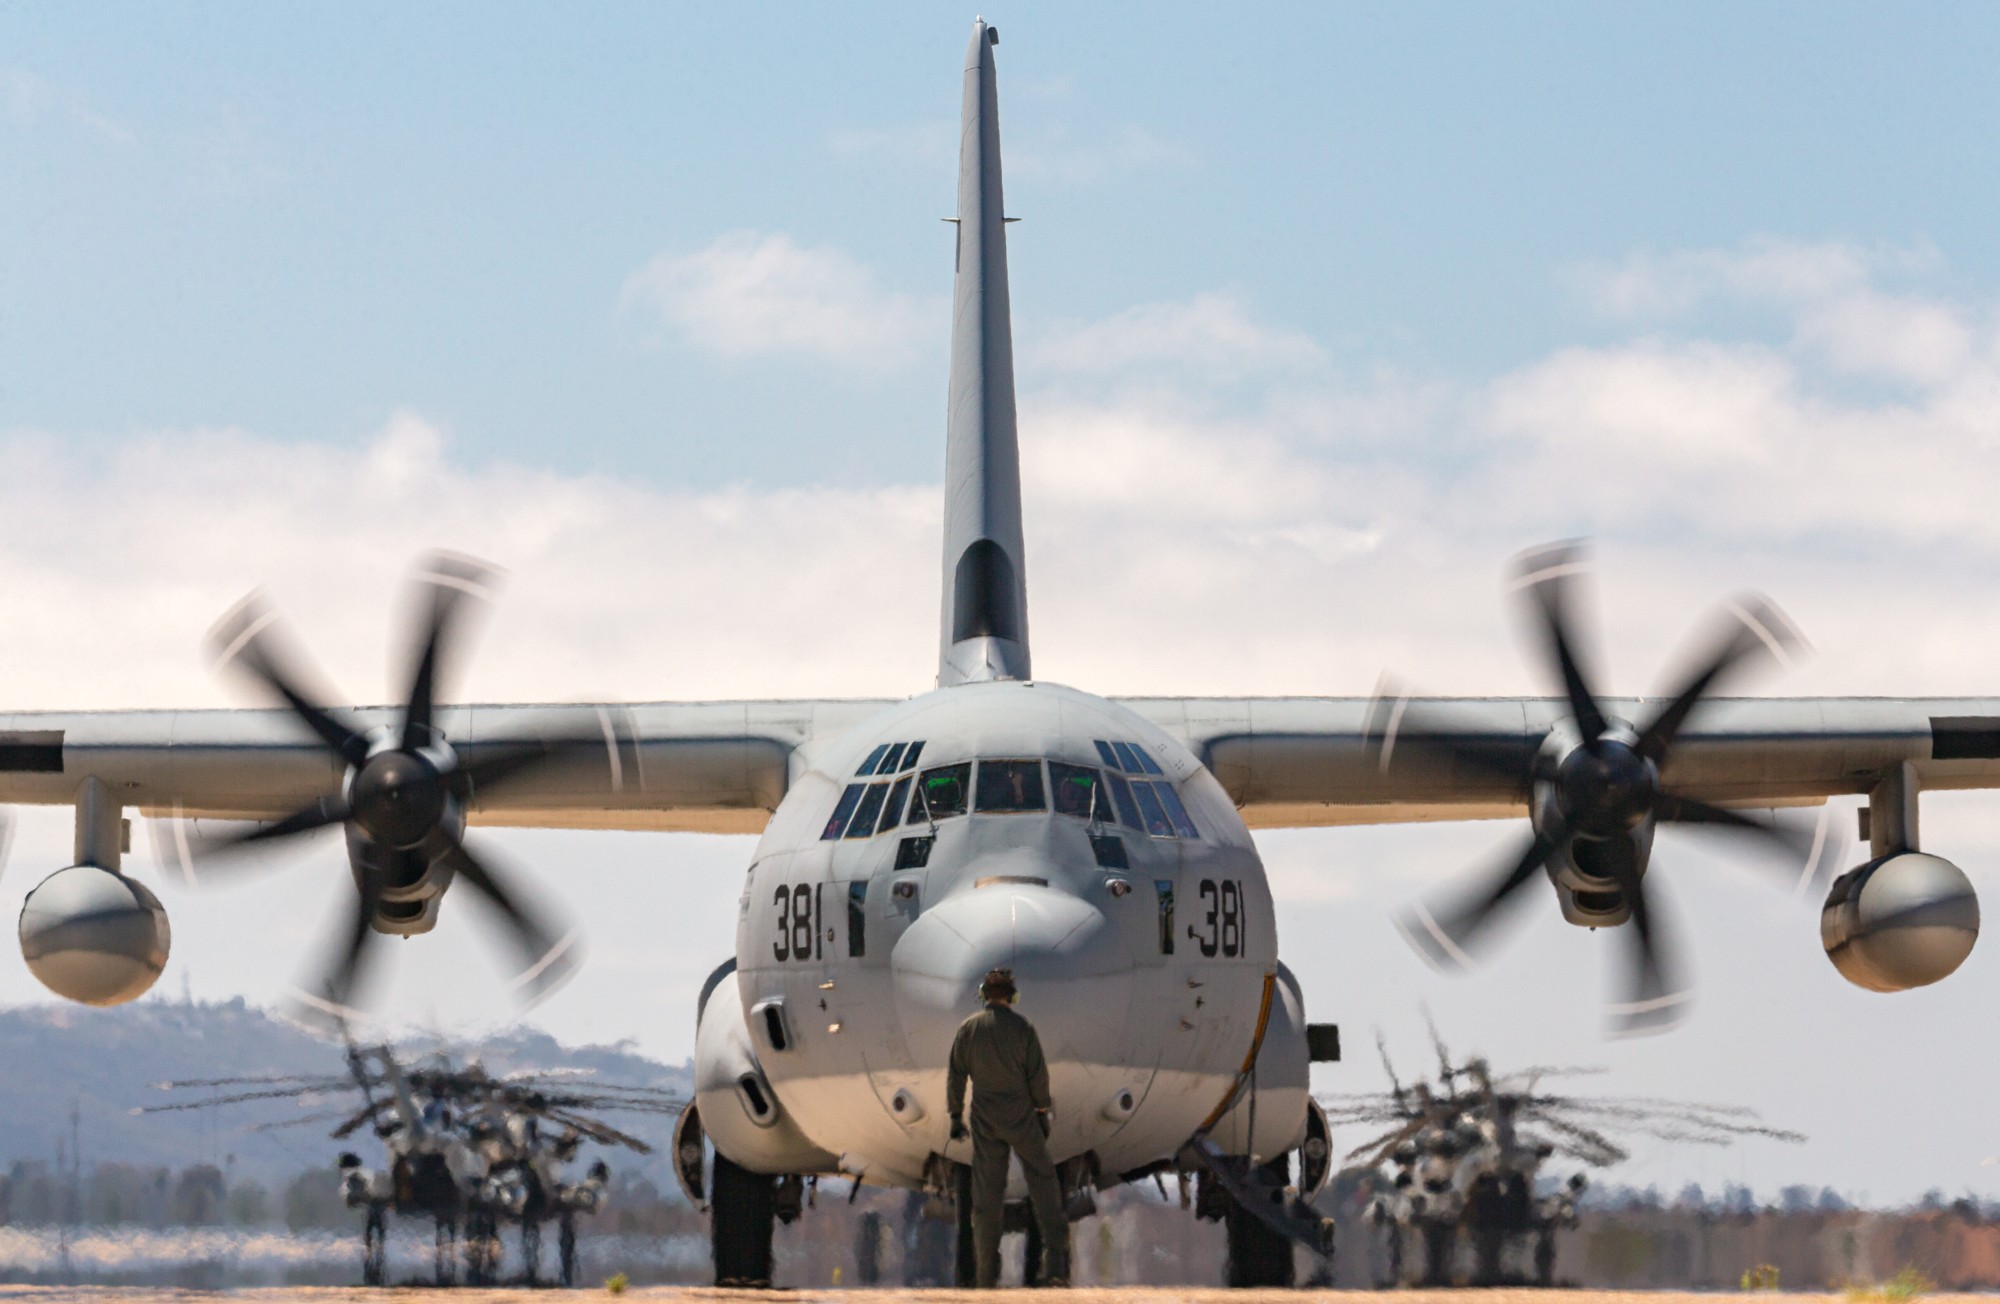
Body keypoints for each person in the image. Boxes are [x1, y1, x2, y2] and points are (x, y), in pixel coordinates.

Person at [946, 967, 1069, 1288]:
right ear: (1012, 997)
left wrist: (955, 1117)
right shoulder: (1023, 1029)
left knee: (986, 1198)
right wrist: (1042, 1110)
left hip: (985, 1121)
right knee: (1044, 1183)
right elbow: (1038, 1077)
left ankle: (985, 1274)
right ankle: (1056, 1263)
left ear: (983, 995)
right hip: (1021, 1118)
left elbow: (956, 1076)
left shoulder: (968, 1029)